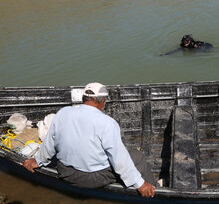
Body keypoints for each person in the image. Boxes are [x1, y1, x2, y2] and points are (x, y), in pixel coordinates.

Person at [23, 82, 155, 197]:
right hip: (90, 179)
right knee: (137, 156)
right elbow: (119, 160)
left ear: (83, 98)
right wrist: (140, 184)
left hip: (66, 173)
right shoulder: (108, 123)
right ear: (102, 101)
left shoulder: (63, 113)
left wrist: (38, 160)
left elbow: (49, 143)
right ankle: (154, 191)